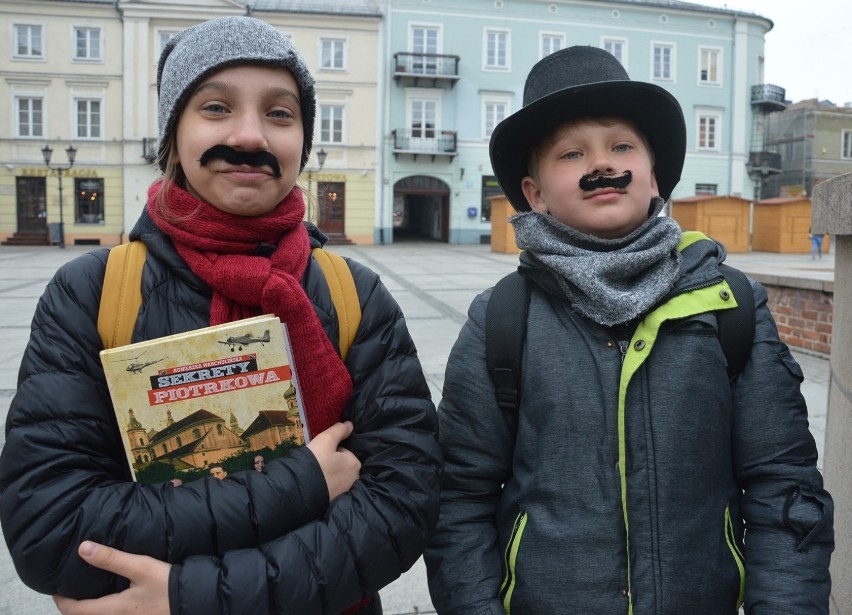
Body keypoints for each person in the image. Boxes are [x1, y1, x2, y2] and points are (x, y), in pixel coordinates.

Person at [0, 16, 440, 615]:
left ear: (302, 142)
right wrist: (301, 484)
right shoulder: (94, 291)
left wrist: (191, 595)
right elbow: (50, 529)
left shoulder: (353, 295)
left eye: (280, 114)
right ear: (173, 134)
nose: (251, 135)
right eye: (215, 106)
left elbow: (402, 510)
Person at [424, 46, 833, 614]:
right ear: (535, 192)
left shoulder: (729, 304)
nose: (602, 165)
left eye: (622, 146)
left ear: (653, 174)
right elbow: (458, 500)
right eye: (571, 153)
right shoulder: (501, 319)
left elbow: (782, 487)